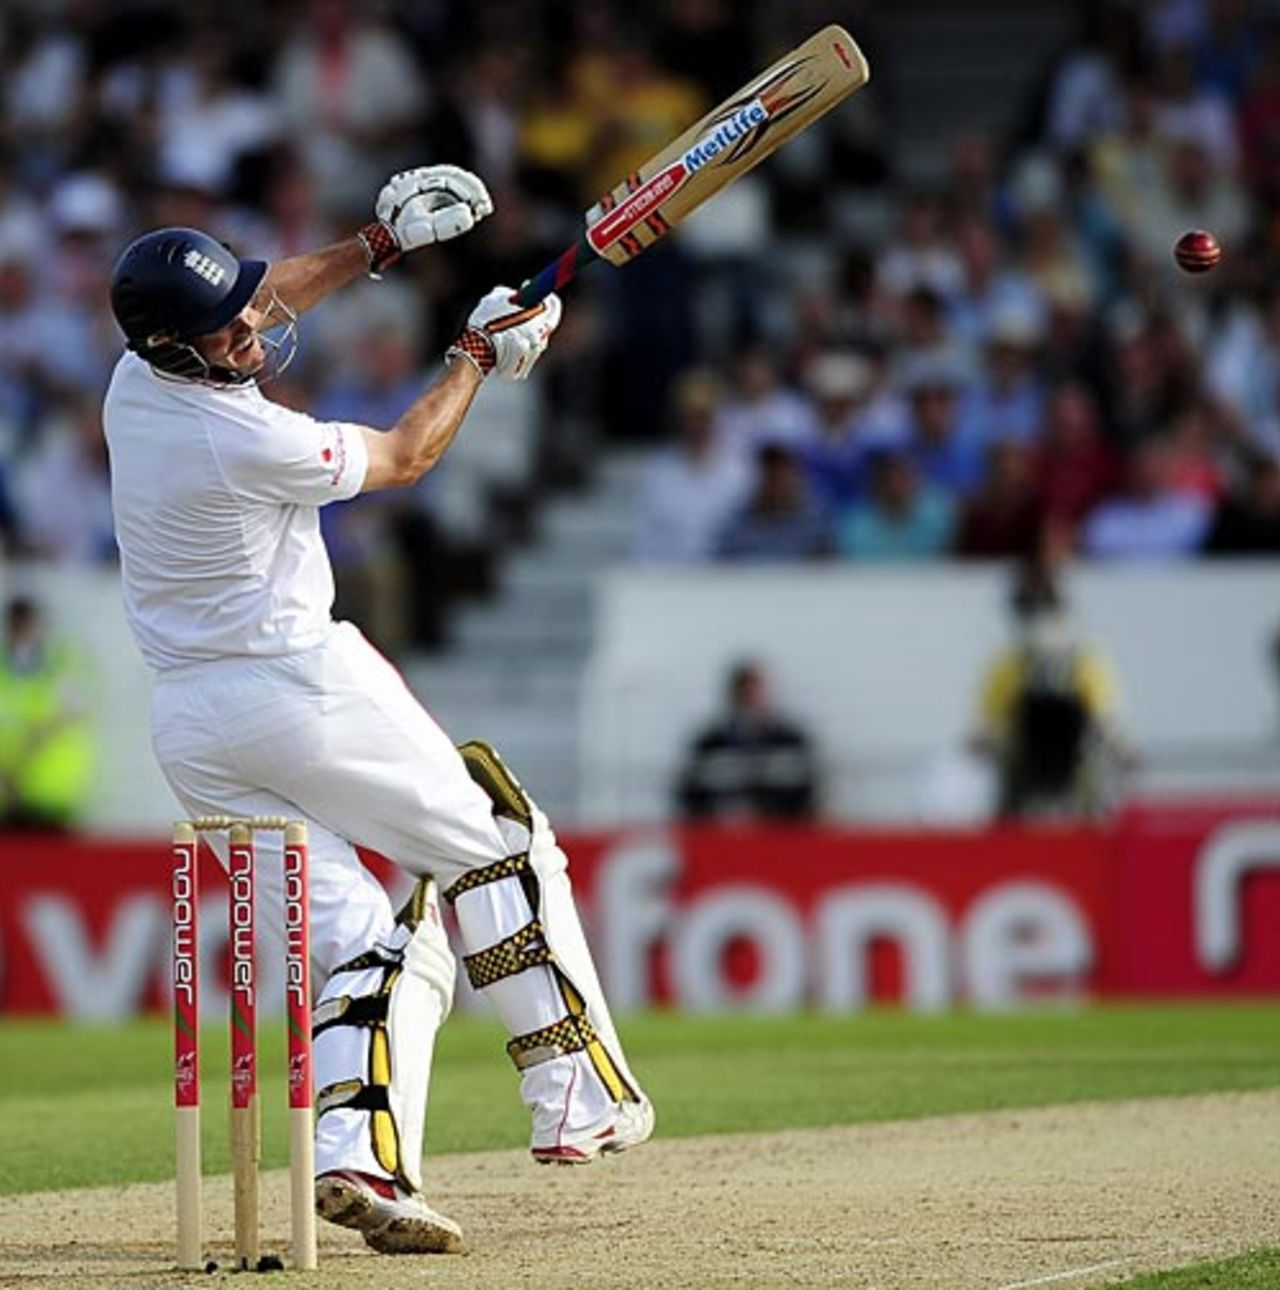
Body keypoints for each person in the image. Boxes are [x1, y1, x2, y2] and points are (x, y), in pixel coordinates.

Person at [103, 165, 652, 1257]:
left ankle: (360, 1163)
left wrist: (373, 246)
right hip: (296, 685)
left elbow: (270, 299)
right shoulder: (239, 441)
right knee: (495, 842)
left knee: (372, 942)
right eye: (223, 331)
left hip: (192, 730)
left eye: (239, 307)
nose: (249, 332)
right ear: (175, 348)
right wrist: (477, 359)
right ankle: (580, 1098)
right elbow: (405, 457)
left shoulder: (136, 386)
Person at [971, 561, 1136, 822]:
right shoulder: (1007, 665)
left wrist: (1124, 751)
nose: (1042, 621)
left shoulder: (1085, 659)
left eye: (1047, 608)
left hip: (1078, 789)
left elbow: (1109, 722)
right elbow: (982, 731)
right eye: (1034, 609)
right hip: (1021, 790)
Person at [676, 660, 818, 821]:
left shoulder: (790, 741)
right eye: (744, 692)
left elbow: (809, 790)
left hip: (780, 832)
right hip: (723, 833)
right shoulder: (710, 743)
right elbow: (690, 792)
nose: (751, 698)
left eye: (756, 691)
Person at [0, 596, 94, 830]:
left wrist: (19, 761)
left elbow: (67, 714)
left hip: (53, 789)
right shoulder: (8, 667)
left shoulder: (63, 663)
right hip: (9, 791)